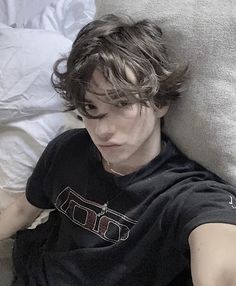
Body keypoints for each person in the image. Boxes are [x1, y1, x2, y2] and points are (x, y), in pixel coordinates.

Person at [0, 14, 236, 286]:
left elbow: (219, 256)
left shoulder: (187, 195)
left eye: (122, 103)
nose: (102, 130)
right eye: (91, 108)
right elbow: (23, 209)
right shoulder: (67, 148)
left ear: (159, 103)